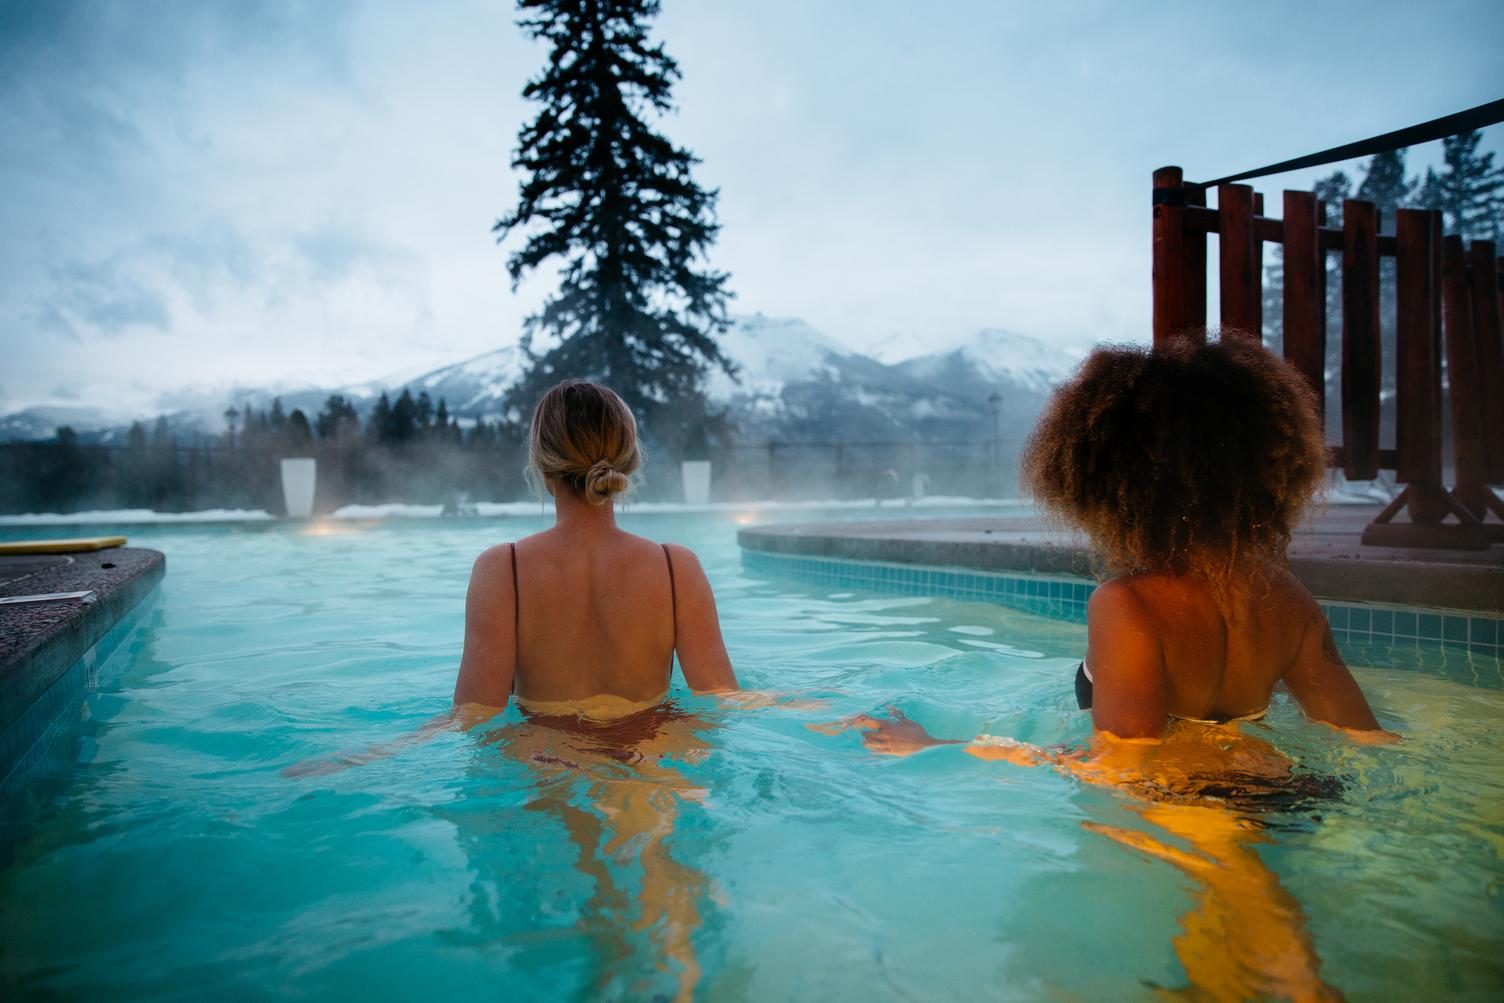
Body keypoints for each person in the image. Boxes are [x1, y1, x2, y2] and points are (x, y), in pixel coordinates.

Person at [848, 335, 1385, 757]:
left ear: (1108, 480)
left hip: (1187, 821)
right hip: (1286, 796)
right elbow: (1366, 739)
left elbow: (1123, 768)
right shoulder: (1290, 600)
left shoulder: (1129, 605)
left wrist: (937, 747)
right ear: (1266, 470)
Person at [453, 378, 739, 718]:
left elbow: (473, 717)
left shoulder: (502, 569)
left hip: (545, 762)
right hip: (653, 763)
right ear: (628, 463)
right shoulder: (676, 567)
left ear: (542, 466)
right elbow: (724, 700)